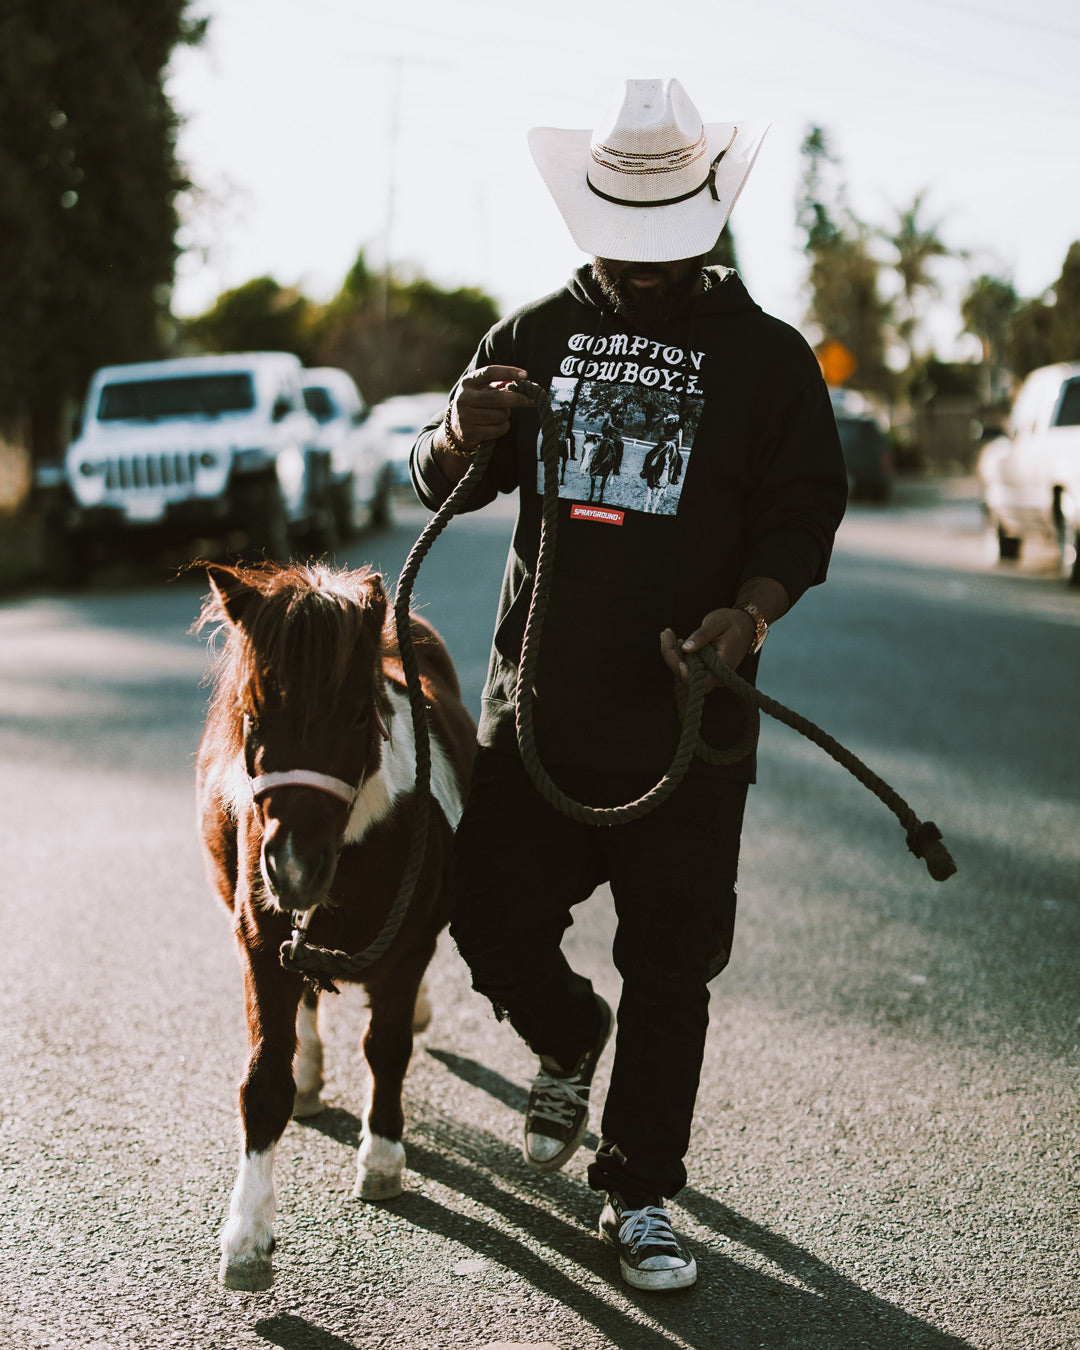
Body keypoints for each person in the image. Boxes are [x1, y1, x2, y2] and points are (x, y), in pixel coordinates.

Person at [410, 77, 847, 1293]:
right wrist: (459, 429)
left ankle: (641, 1194)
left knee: (671, 968)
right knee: (489, 918)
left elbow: (805, 509)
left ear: (707, 213)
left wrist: (749, 615)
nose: (645, 268)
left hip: (689, 729)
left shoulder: (768, 359)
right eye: (624, 242)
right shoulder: (531, 335)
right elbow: (436, 482)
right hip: (538, 721)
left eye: (669, 243)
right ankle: (564, 1035)